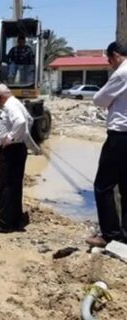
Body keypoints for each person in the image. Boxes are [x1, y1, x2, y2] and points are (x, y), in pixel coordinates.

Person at [86, 41, 127, 248]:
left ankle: (110, 234)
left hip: (120, 136)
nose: (109, 63)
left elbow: (99, 100)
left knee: (103, 186)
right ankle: (125, 234)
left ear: (116, 55)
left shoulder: (122, 73)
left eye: (109, 59)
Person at [0, 84, 41, 233]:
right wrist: (22, 137)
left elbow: (22, 122)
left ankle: (5, 223)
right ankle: (16, 219)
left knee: (5, 186)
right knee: (15, 186)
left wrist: (10, 137)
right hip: (17, 149)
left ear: (0, 97)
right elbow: (29, 120)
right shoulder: (17, 104)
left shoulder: (11, 106)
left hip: (11, 151)